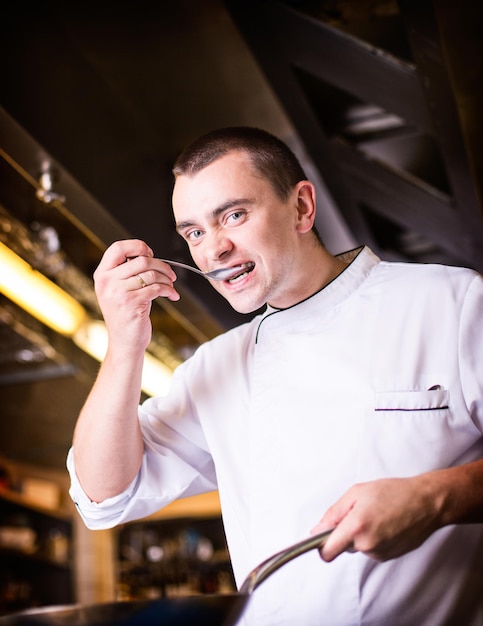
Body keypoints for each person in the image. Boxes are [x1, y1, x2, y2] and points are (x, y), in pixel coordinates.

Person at [67, 126, 483, 625]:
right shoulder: (216, 366)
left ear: (302, 208)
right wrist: (123, 347)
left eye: (234, 215)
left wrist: (434, 499)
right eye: (194, 232)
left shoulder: (451, 303)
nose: (213, 249)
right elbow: (103, 497)